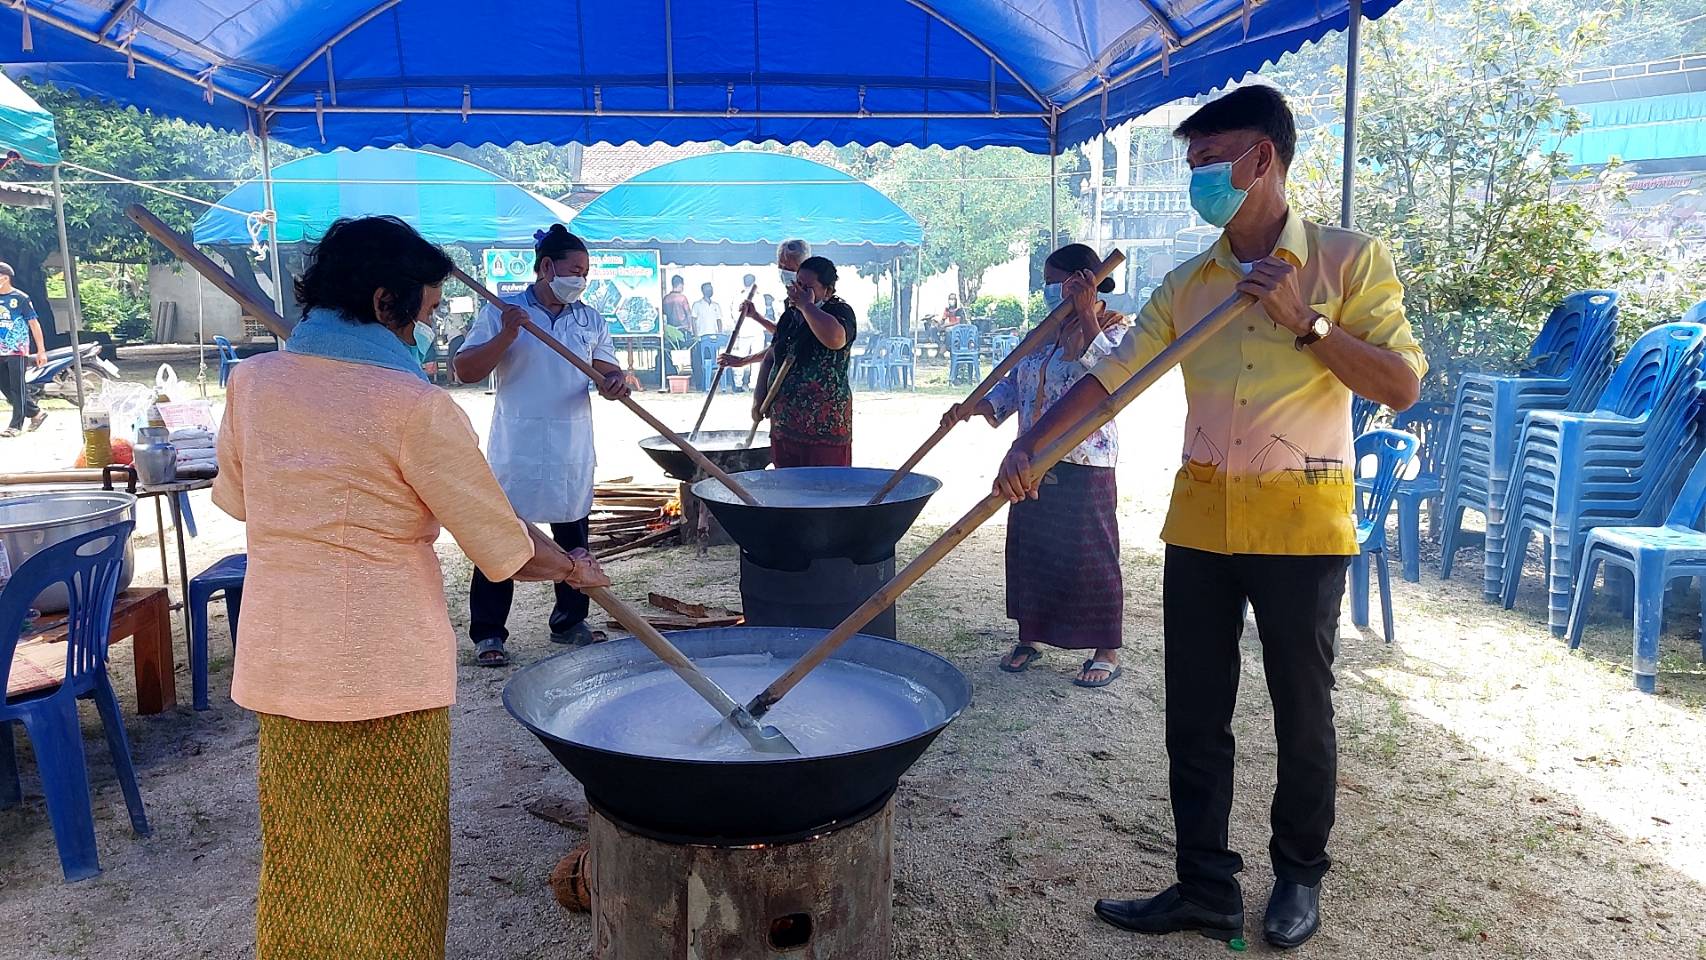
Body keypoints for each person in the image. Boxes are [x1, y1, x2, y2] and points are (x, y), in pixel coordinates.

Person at [994, 86, 1424, 950]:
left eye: (1207, 160)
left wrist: (1305, 324)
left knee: (1303, 710)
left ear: (1261, 158)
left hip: (1302, 528)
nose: (1198, 179)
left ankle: (1299, 876)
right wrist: (1032, 447)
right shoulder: (1189, 285)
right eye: (1192, 163)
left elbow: (1400, 385)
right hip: (1199, 527)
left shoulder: (1348, 261)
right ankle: (1204, 887)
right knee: (1194, 713)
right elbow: (1112, 376)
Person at [213, 215, 611, 960]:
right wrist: (571, 568)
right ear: (385, 301)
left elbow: (240, 502)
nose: (428, 331)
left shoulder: (252, 383)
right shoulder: (415, 407)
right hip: (383, 671)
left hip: (282, 660)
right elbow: (501, 542)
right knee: (392, 861)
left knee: (304, 852)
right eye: (427, 313)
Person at [945, 243, 1128, 687]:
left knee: (1090, 553)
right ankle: (1032, 636)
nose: (1046, 290)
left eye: (1052, 281)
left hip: (1086, 457)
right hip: (1027, 459)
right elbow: (1015, 382)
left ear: (1079, 281)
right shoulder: (1043, 332)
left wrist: (1086, 314)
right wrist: (977, 407)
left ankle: (1106, 647)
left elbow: (1112, 375)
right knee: (1033, 549)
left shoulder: (1116, 327)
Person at [453, 223, 631, 666]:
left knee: (574, 534)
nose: (581, 279)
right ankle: (489, 633)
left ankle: (570, 621)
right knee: (503, 537)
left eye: (586, 272)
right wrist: (508, 334)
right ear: (546, 267)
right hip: (519, 441)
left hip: (571, 440)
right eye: (574, 269)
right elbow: (465, 370)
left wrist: (617, 381)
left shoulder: (590, 318)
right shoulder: (503, 310)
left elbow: (608, 369)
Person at [748, 255, 857, 467]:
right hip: (785, 424)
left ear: (828, 289)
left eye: (808, 287)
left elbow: (835, 340)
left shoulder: (839, 311)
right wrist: (758, 397)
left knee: (824, 492)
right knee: (788, 490)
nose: (799, 291)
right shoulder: (790, 316)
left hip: (825, 427)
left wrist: (808, 307)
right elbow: (772, 357)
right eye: (798, 284)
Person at [718, 238, 808, 397]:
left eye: (789, 267)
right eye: (781, 266)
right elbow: (785, 334)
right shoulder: (790, 301)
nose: (784, 272)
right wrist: (756, 316)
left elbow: (789, 343)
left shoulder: (810, 301)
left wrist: (743, 361)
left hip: (806, 385)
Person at [0, 262, 47, 437]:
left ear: (5, 278)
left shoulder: (20, 298)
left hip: (17, 349)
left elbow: (34, 324)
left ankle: (15, 425)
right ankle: (36, 413)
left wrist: (41, 350)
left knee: (17, 387)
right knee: (5, 387)